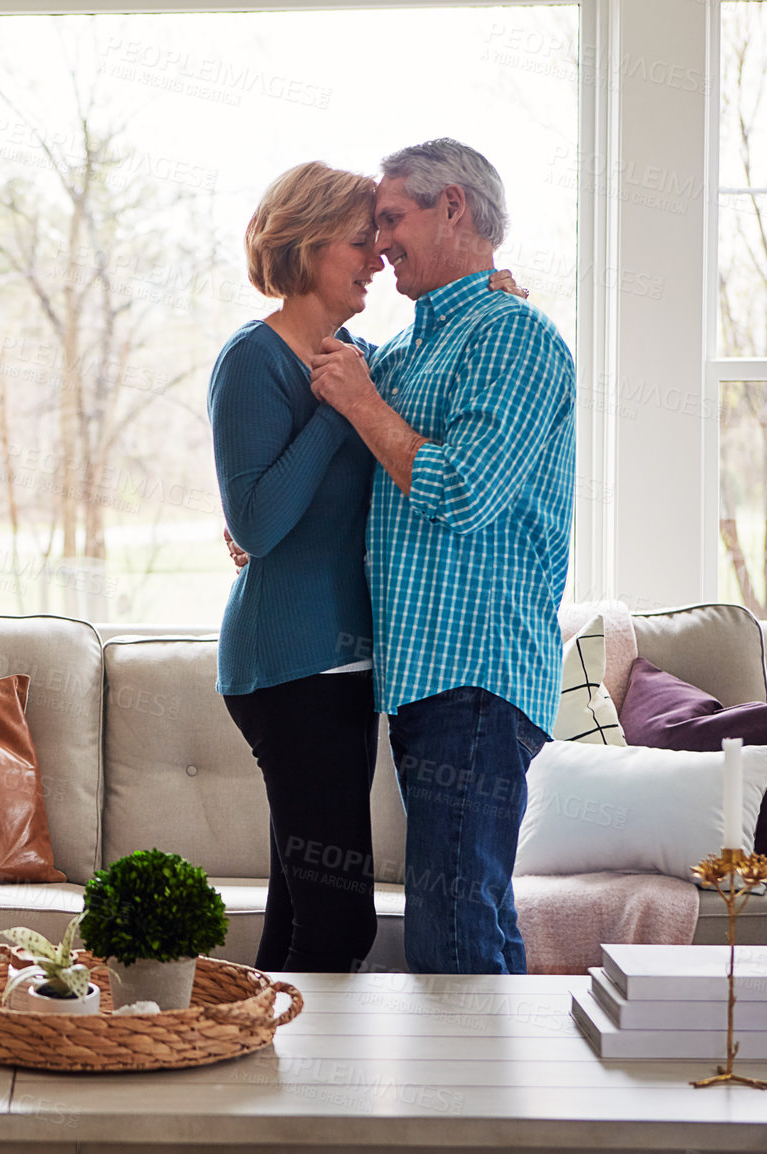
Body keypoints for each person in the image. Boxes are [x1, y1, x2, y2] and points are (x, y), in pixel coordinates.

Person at [208, 161, 525, 975]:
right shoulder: (255, 360)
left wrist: (498, 304)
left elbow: (409, 409)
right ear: (308, 245)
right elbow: (257, 524)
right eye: (361, 240)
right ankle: (311, 1101)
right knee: (340, 924)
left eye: (385, 235)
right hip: (289, 668)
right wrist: (332, 408)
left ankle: (256, 1082)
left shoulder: (360, 358)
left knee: (299, 911)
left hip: (349, 669)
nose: (379, 257)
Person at [308, 138, 575, 975]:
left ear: (452, 206)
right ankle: (511, 1106)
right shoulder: (411, 350)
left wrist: (358, 399)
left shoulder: (515, 341)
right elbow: (369, 472)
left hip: (478, 680)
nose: (380, 243)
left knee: (450, 940)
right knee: (469, 920)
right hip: (427, 680)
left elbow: (461, 491)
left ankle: (474, 1109)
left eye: (392, 219)